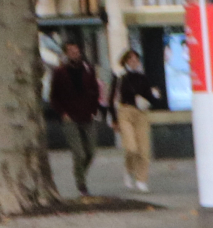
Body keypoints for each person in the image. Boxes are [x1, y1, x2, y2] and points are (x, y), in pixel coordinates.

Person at [47, 39, 102, 198]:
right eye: (71, 51)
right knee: (79, 153)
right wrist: (62, 113)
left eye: (76, 50)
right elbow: (54, 96)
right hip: (70, 117)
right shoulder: (60, 72)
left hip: (87, 115)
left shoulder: (88, 69)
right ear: (66, 53)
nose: (75, 53)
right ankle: (81, 183)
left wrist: (94, 109)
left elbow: (95, 91)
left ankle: (80, 172)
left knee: (91, 150)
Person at [109, 49, 156, 193]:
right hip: (125, 111)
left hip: (141, 113)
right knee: (131, 147)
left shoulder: (143, 77)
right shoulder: (120, 77)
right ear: (125, 61)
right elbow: (111, 99)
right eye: (130, 59)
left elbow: (150, 96)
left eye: (136, 59)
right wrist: (114, 119)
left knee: (144, 149)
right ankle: (129, 170)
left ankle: (141, 180)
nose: (134, 62)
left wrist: (152, 95)